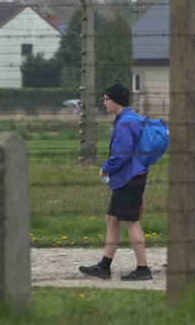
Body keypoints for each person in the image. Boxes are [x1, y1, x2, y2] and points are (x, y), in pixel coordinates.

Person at [79, 83, 152, 281]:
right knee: (112, 219)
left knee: (132, 223)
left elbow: (120, 155)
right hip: (126, 179)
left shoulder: (125, 123)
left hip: (129, 179)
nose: (104, 103)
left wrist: (105, 167)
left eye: (106, 99)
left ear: (116, 100)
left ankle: (143, 269)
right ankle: (104, 266)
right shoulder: (132, 118)